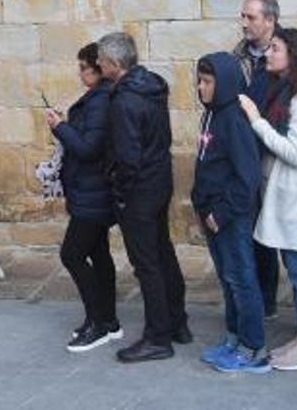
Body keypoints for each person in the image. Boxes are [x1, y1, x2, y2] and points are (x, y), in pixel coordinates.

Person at [240, 28, 297, 372]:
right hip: (287, 197)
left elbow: (295, 153)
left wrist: (256, 121)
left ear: (294, 56)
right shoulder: (288, 94)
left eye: (275, 48)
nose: (267, 54)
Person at [101, 32, 189, 362]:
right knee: (163, 253)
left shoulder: (124, 100)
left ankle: (158, 336)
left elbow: (127, 156)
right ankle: (177, 321)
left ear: (113, 63)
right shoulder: (152, 85)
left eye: (101, 60)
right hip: (159, 181)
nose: (98, 65)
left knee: (147, 263)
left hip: (139, 191)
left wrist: (120, 193)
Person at [192, 53, 265, 372]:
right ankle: (234, 337)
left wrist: (221, 212)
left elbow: (247, 177)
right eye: (199, 80)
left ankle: (254, 348)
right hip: (211, 212)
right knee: (228, 277)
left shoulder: (234, 118)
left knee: (242, 278)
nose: (200, 87)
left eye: (207, 82)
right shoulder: (211, 114)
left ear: (223, 84)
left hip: (230, 216)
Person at [52, 43, 123, 351]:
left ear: (97, 67)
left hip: (94, 193)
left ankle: (98, 322)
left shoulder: (100, 100)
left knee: (72, 254)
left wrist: (61, 128)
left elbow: (89, 147)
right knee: (98, 254)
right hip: (90, 190)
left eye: (83, 67)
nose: (80, 73)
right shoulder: (97, 98)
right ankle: (108, 320)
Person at [234, 0, 283, 319]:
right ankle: (263, 301)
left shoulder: (286, 55)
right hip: (244, 150)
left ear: (270, 20)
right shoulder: (236, 56)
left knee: (285, 235)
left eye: (251, 17)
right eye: (244, 16)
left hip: (272, 150)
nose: (245, 23)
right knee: (252, 227)